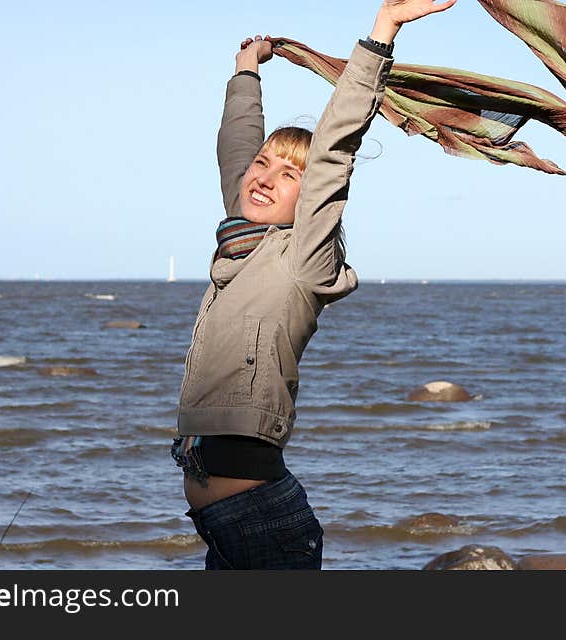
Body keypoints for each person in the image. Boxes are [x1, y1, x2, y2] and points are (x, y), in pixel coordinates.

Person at [172, 0, 458, 570]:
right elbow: (236, 144)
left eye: (288, 175)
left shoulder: (302, 257)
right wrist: (246, 70)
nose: (263, 177)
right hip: (223, 524)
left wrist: (383, 32)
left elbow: (332, 152)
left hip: (263, 520)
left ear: (310, 204)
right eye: (263, 164)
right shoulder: (239, 243)